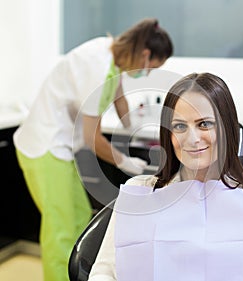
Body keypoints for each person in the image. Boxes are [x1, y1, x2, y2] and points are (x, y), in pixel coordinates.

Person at [88, 72, 243, 281]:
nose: (192, 138)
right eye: (179, 126)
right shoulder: (141, 193)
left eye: (204, 124)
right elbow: (104, 272)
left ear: (227, 129)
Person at [13, 18, 173, 281]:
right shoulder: (96, 64)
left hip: (61, 148)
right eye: (150, 69)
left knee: (78, 221)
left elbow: (118, 92)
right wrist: (125, 162)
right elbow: (92, 138)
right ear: (144, 54)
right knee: (60, 230)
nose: (146, 74)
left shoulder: (112, 56)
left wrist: (133, 125)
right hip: (44, 146)